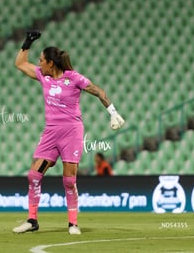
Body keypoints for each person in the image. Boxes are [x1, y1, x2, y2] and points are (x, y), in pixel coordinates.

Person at [12, 30, 125, 235]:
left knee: (69, 180)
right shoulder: (42, 76)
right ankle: (32, 220)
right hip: (51, 132)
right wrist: (27, 43)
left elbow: (98, 90)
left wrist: (113, 113)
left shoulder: (73, 78)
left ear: (51, 64)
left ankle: (73, 223)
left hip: (71, 132)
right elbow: (20, 64)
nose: (39, 64)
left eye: (41, 60)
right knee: (33, 175)